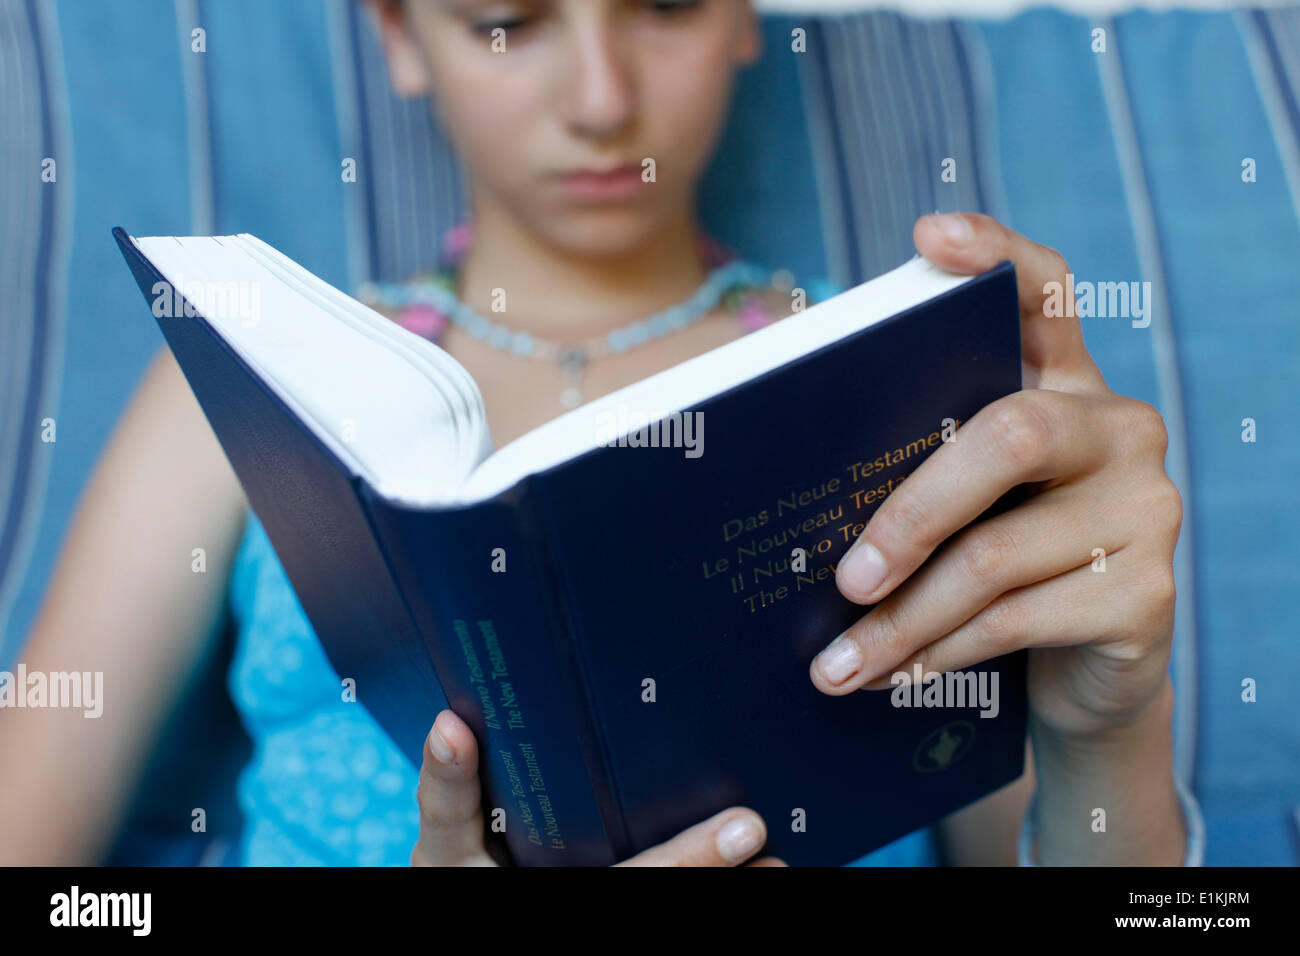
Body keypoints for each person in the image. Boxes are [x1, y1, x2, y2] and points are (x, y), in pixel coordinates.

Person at [0, 0, 1195, 867]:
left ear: (745, 19)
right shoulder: (253, 390)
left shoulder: (901, 387)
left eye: (665, 6)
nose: (600, 101)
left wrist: (1111, 731)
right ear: (399, 38)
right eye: (507, 20)